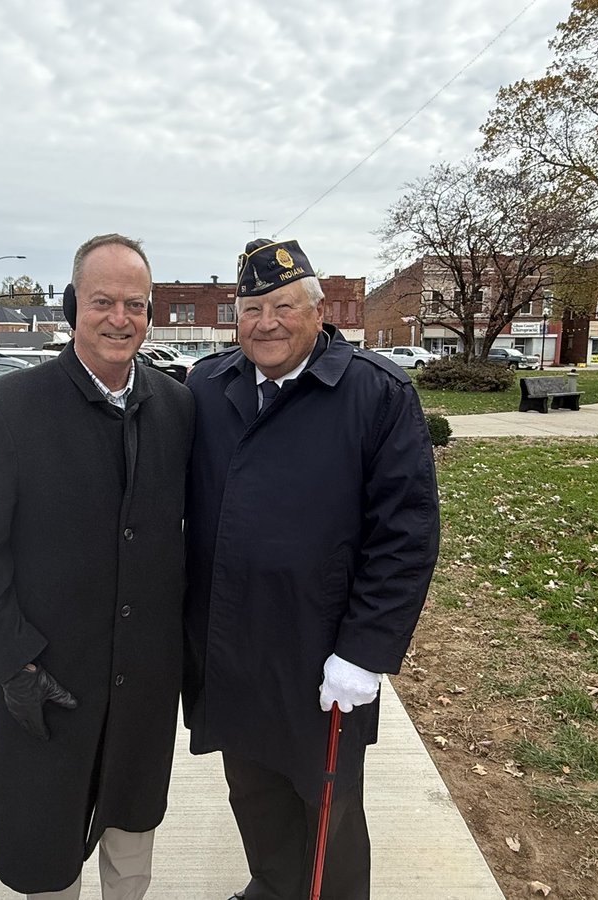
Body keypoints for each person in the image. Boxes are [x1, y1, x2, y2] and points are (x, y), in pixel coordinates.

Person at [183, 238, 440, 899]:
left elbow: (405, 535)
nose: (265, 323)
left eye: (283, 306)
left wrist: (364, 652)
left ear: (318, 311)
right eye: (251, 309)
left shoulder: (375, 394)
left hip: (320, 655)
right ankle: (271, 884)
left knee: (326, 806)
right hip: (231, 645)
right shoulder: (205, 389)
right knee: (252, 790)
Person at [0, 234, 193, 899]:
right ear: (70, 304)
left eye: (134, 305)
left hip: (142, 683)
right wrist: (15, 665)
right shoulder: (2, 413)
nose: (120, 318)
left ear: (150, 313)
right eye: (103, 301)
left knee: (132, 837)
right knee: (47, 856)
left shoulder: (177, 407)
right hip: (47, 685)